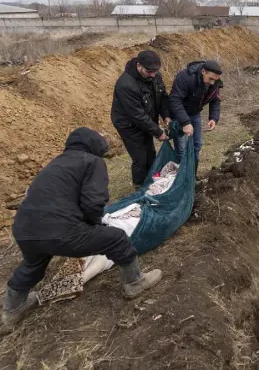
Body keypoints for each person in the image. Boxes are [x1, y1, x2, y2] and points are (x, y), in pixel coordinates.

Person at [2, 127, 162, 328]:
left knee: (33, 264)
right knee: (117, 238)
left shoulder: (56, 163)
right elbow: (93, 204)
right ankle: (135, 283)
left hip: (24, 230)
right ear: (93, 145)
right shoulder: (92, 161)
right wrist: (96, 225)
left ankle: (11, 311)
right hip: (60, 231)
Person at [111, 50, 171, 188]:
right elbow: (137, 115)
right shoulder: (125, 84)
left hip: (145, 119)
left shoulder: (154, 75)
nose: (153, 74)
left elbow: (162, 98)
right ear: (139, 65)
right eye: (149, 71)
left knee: (150, 152)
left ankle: (151, 181)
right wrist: (158, 132)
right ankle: (139, 187)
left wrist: (166, 116)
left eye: (155, 71)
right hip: (128, 124)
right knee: (140, 157)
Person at [169, 60, 223, 173]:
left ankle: (192, 176)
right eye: (211, 79)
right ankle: (182, 178)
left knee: (197, 145)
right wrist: (185, 122)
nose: (213, 82)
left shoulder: (214, 82)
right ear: (203, 71)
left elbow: (215, 100)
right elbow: (175, 100)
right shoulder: (185, 77)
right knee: (182, 149)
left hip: (195, 113)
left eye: (215, 80)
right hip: (179, 115)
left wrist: (213, 117)